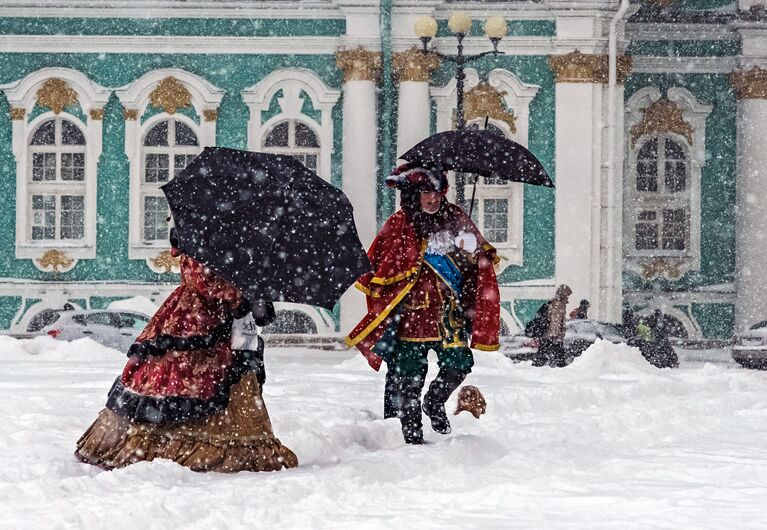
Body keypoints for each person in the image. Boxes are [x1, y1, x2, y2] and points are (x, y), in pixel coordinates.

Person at [75, 227, 297, 472]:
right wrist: (239, 293)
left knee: (233, 379)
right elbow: (201, 277)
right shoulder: (197, 232)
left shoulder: (234, 239)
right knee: (187, 377)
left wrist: (252, 287)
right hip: (197, 319)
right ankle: (179, 446)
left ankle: (232, 445)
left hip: (230, 326)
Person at [346, 163, 501, 445]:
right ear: (414, 194)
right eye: (426, 193)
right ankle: (411, 438)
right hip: (412, 316)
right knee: (408, 378)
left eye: (438, 192)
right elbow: (383, 264)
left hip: (448, 314)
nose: (433, 199)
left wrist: (470, 251)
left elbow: (478, 265)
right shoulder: (399, 223)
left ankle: (434, 401)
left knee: (459, 364)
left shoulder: (456, 218)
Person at [531, 284, 572, 368]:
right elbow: (555, 322)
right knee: (558, 356)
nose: (568, 297)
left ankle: (537, 367)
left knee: (543, 354)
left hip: (547, 335)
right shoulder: (559, 304)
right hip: (551, 336)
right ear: (564, 294)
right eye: (567, 295)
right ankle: (561, 368)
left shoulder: (554, 302)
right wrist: (555, 336)